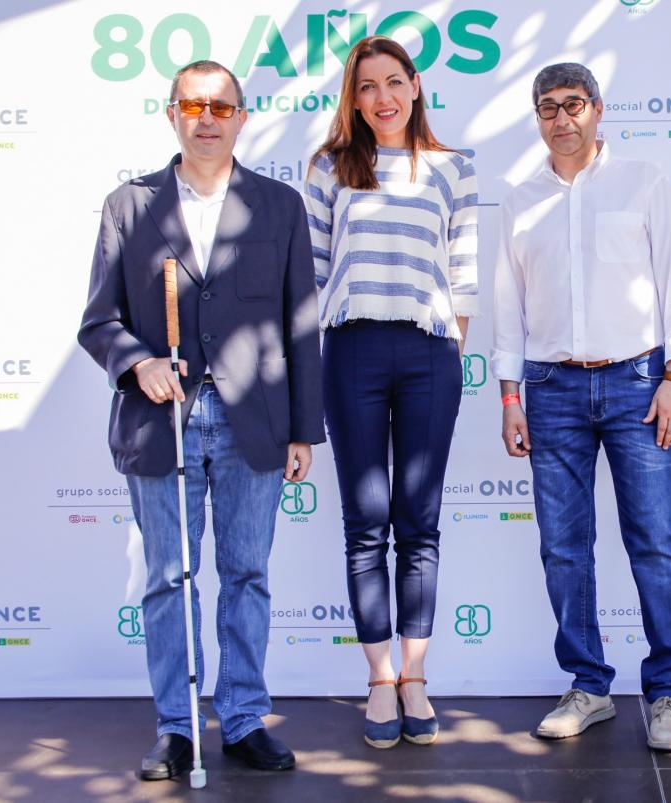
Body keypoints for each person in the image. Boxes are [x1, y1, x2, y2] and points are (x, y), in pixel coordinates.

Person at [78, 60, 323, 779]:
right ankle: (177, 725)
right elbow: (99, 321)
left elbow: (300, 325)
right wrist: (137, 361)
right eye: (193, 104)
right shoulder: (129, 205)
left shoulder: (279, 206)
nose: (207, 116)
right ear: (172, 115)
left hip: (256, 420)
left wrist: (304, 428)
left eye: (221, 105)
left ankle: (244, 717)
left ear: (242, 117)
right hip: (163, 419)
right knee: (168, 576)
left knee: (246, 572)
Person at [492, 62, 671, 752]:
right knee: (562, 546)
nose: (562, 118)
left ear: (597, 108)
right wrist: (508, 394)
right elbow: (508, 303)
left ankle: (667, 692)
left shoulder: (645, 182)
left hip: (640, 383)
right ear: (538, 116)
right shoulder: (519, 198)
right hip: (550, 389)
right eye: (548, 107)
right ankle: (589, 684)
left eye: (573, 104)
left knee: (655, 539)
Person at [303, 35, 478, 749]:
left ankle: (415, 674)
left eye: (392, 82)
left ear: (415, 87)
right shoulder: (329, 167)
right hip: (352, 347)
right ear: (354, 97)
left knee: (420, 521)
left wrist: (451, 347)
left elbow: (462, 273)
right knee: (365, 520)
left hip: (429, 350)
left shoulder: (452, 168)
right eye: (366, 85)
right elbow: (314, 274)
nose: (381, 97)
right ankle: (378, 676)